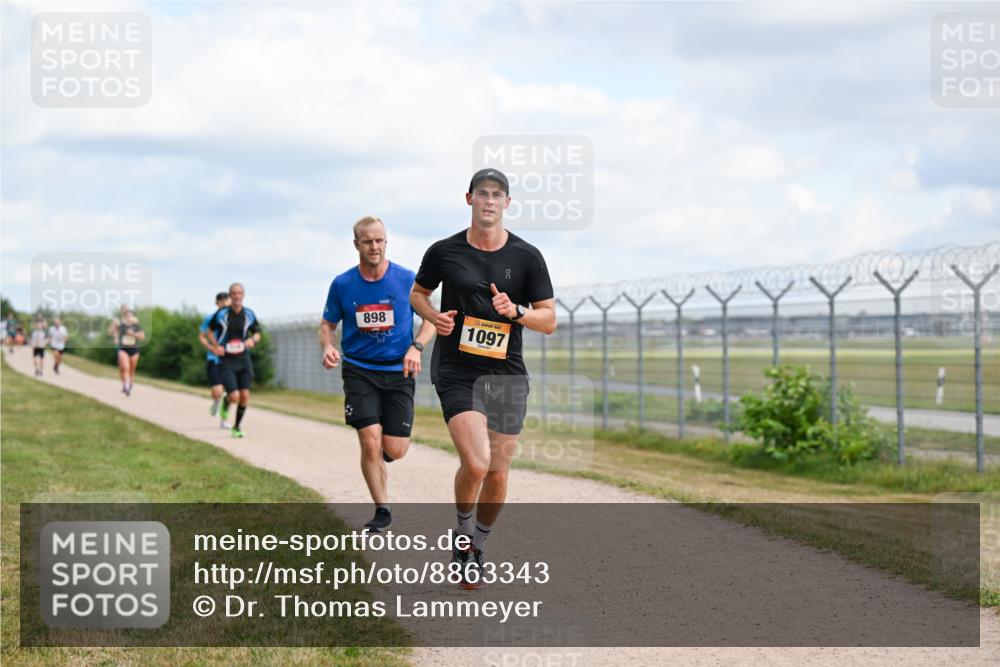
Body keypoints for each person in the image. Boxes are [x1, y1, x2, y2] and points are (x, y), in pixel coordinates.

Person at [410, 168, 556, 588]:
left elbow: (549, 320)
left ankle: (478, 543)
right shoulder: (444, 251)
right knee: (476, 462)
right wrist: (432, 316)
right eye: (482, 194)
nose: (489, 201)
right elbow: (418, 293)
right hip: (458, 368)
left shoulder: (527, 257)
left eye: (497, 195)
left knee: (498, 472)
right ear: (469, 198)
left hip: (506, 371)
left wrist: (518, 312)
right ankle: (461, 536)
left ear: (507, 203)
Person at [319, 216, 435, 532]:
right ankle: (382, 510)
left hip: (400, 370)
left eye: (380, 240)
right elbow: (327, 324)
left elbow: (431, 321)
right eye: (368, 241)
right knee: (370, 443)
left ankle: (382, 456)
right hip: (360, 370)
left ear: (386, 242)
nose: (375, 246)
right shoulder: (342, 284)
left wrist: (416, 347)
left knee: (395, 449)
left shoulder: (407, 280)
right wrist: (328, 346)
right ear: (356, 244)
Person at [205, 283, 261, 438]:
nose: (237, 296)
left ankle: (236, 427)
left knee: (245, 396)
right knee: (234, 396)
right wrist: (216, 346)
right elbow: (209, 332)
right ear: (230, 296)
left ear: (243, 295)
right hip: (226, 361)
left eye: (239, 293)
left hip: (244, 359)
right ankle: (226, 403)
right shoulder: (222, 314)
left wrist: (252, 341)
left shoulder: (249, 314)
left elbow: (257, 333)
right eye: (234, 293)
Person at [199, 291, 232, 425]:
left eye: (226, 300)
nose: (224, 302)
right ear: (216, 303)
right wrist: (211, 347)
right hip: (214, 358)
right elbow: (202, 336)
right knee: (218, 391)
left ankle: (224, 420)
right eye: (221, 300)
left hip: (230, 359)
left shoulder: (235, 318)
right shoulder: (210, 318)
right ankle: (216, 401)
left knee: (231, 392)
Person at [109, 306, 145, 395]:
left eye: (131, 315)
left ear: (133, 317)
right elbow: (110, 332)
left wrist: (133, 334)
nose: (129, 317)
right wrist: (114, 324)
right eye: (127, 316)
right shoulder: (121, 325)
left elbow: (142, 337)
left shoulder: (136, 326)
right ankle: (126, 386)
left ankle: (129, 383)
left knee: (132, 370)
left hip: (134, 350)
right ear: (125, 317)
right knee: (125, 368)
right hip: (123, 349)